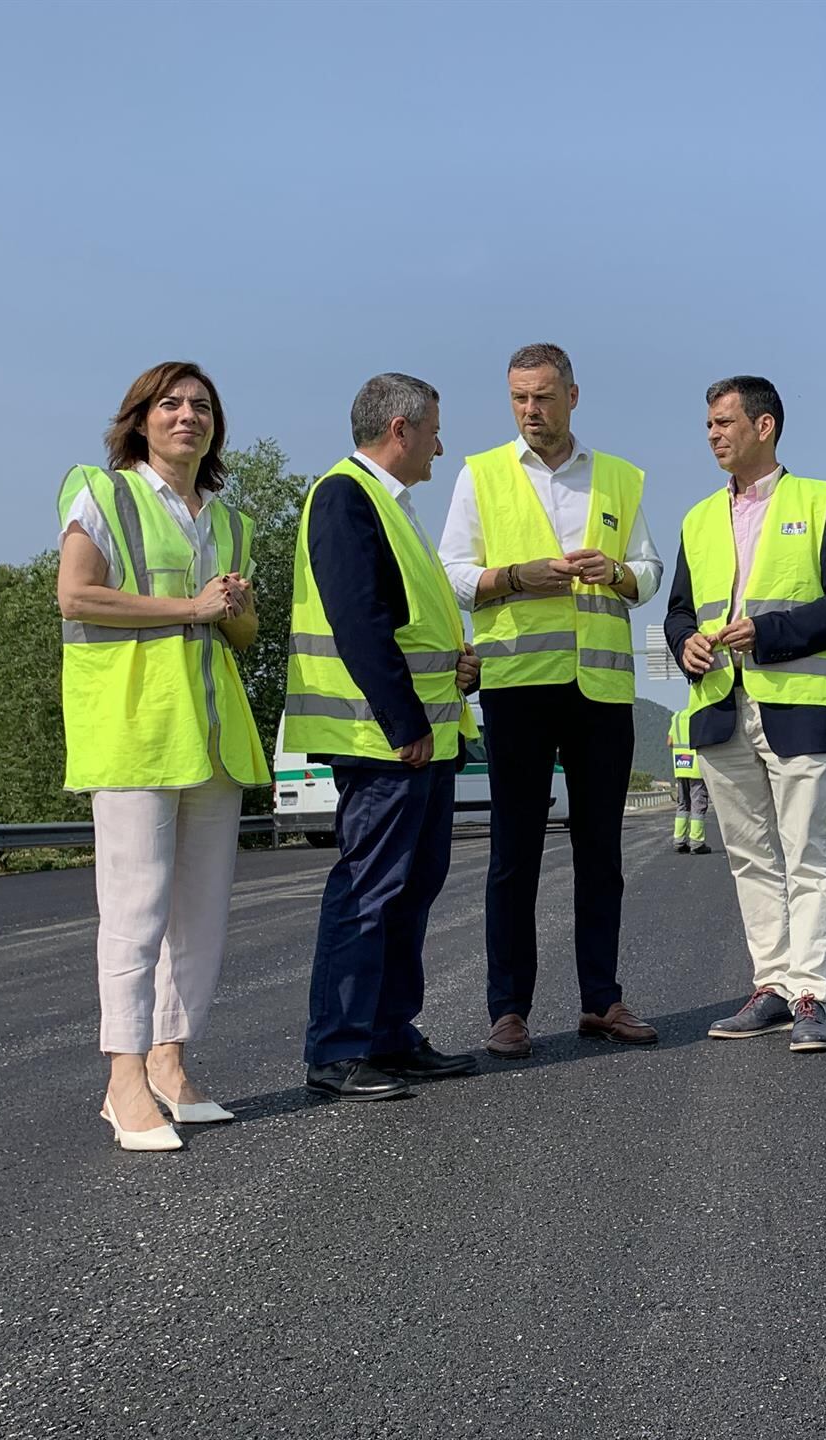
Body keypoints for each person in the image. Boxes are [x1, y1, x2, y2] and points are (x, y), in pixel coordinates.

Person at [56, 361, 270, 1151]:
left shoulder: (231, 520)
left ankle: (171, 1064)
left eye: (202, 406)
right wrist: (191, 605)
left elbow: (239, 632)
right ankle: (123, 1081)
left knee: (202, 915)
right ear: (141, 418)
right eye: (171, 404)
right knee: (136, 910)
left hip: (211, 735)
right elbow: (76, 595)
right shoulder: (103, 491)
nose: (188, 415)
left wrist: (234, 610)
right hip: (135, 730)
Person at [438, 343, 663, 1059]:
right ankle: (508, 1010)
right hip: (516, 690)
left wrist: (621, 572)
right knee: (515, 855)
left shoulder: (621, 479)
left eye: (541, 396)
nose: (530, 411)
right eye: (518, 399)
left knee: (601, 851)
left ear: (572, 395)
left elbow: (652, 570)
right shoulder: (479, 475)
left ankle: (602, 1000)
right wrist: (513, 576)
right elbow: (453, 573)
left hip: (599, 691)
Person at [664, 376, 826, 1054]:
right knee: (751, 858)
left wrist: (771, 632)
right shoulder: (697, 519)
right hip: (720, 709)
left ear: (765, 426)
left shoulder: (820, 504)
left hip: (800, 709)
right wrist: (684, 644)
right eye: (708, 426)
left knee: (806, 854)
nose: (713, 435)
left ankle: (812, 993)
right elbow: (676, 612)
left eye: (724, 422)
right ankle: (772, 986)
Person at [286, 373, 482, 1101]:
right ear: (400, 429)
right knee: (371, 891)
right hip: (381, 739)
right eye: (434, 429)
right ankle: (338, 1051)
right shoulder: (346, 494)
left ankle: (390, 1035)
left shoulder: (393, 507)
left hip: (420, 734)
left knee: (410, 890)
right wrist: (404, 724)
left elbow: (407, 626)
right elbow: (357, 618)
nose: (440, 444)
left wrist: (457, 671)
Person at [668, 705, 712, 854]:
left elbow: (669, 742)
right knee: (698, 805)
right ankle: (697, 842)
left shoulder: (678, 716)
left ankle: (679, 841)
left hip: (680, 766)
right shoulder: (700, 715)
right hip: (696, 768)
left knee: (683, 805)